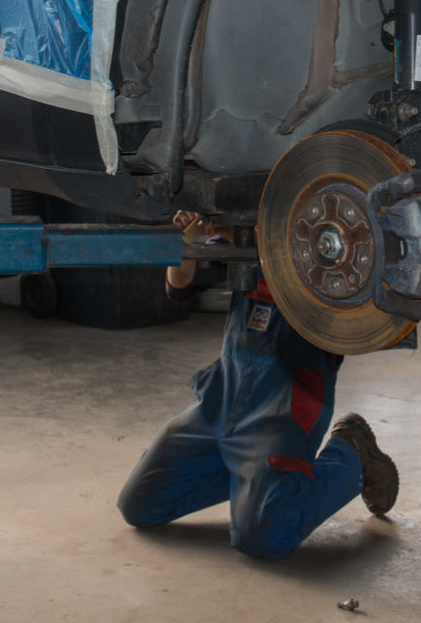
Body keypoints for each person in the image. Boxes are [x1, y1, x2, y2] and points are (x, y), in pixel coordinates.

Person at [116, 211, 400, 559]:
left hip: (284, 403)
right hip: (223, 398)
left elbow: (314, 273)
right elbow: (178, 287)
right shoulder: (239, 235)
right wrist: (188, 240)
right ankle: (251, 479)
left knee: (263, 536)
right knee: (139, 505)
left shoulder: (327, 240)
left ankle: (351, 454)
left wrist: (245, 237)